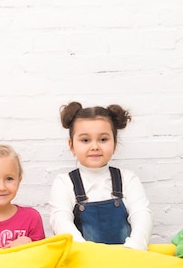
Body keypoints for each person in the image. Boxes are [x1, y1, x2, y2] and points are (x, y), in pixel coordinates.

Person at [49, 101, 152, 250]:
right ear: (71, 146)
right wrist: (86, 252)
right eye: (85, 140)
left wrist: (135, 247)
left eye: (103, 139)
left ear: (115, 144)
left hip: (125, 259)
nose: (95, 146)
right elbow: (61, 221)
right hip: (84, 262)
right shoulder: (64, 183)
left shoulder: (128, 179)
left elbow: (142, 215)